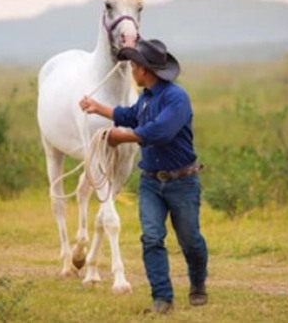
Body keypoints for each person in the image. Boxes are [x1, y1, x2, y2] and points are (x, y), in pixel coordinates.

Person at [79, 39, 208, 314]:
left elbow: (158, 132)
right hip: (151, 181)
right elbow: (128, 115)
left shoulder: (176, 98)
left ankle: (198, 285)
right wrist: (97, 107)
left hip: (181, 182)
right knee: (151, 237)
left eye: (133, 66)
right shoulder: (146, 98)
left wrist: (119, 137)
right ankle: (162, 298)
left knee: (190, 239)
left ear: (143, 70)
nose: (131, 70)